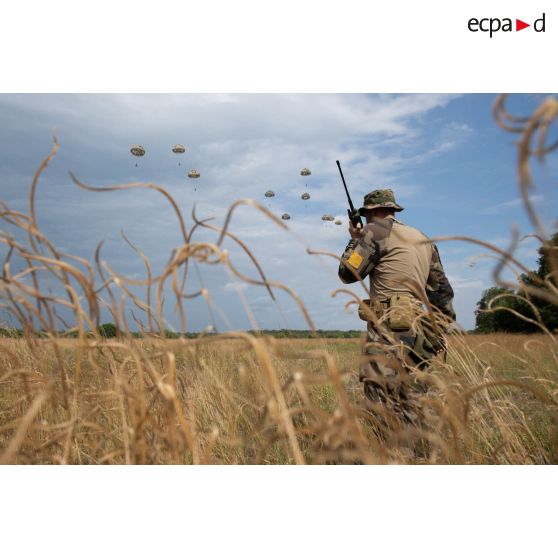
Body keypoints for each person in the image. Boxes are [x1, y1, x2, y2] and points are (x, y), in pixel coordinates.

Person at [338, 189, 455, 426]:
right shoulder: (422, 238)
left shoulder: (376, 231)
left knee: (380, 396)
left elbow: (348, 273)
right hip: (420, 327)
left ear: (372, 212)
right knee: (412, 395)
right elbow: (442, 292)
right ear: (393, 209)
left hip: (388, 325)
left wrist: (355, 238)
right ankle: (418, 454)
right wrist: (440, 330)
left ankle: (391, 455)